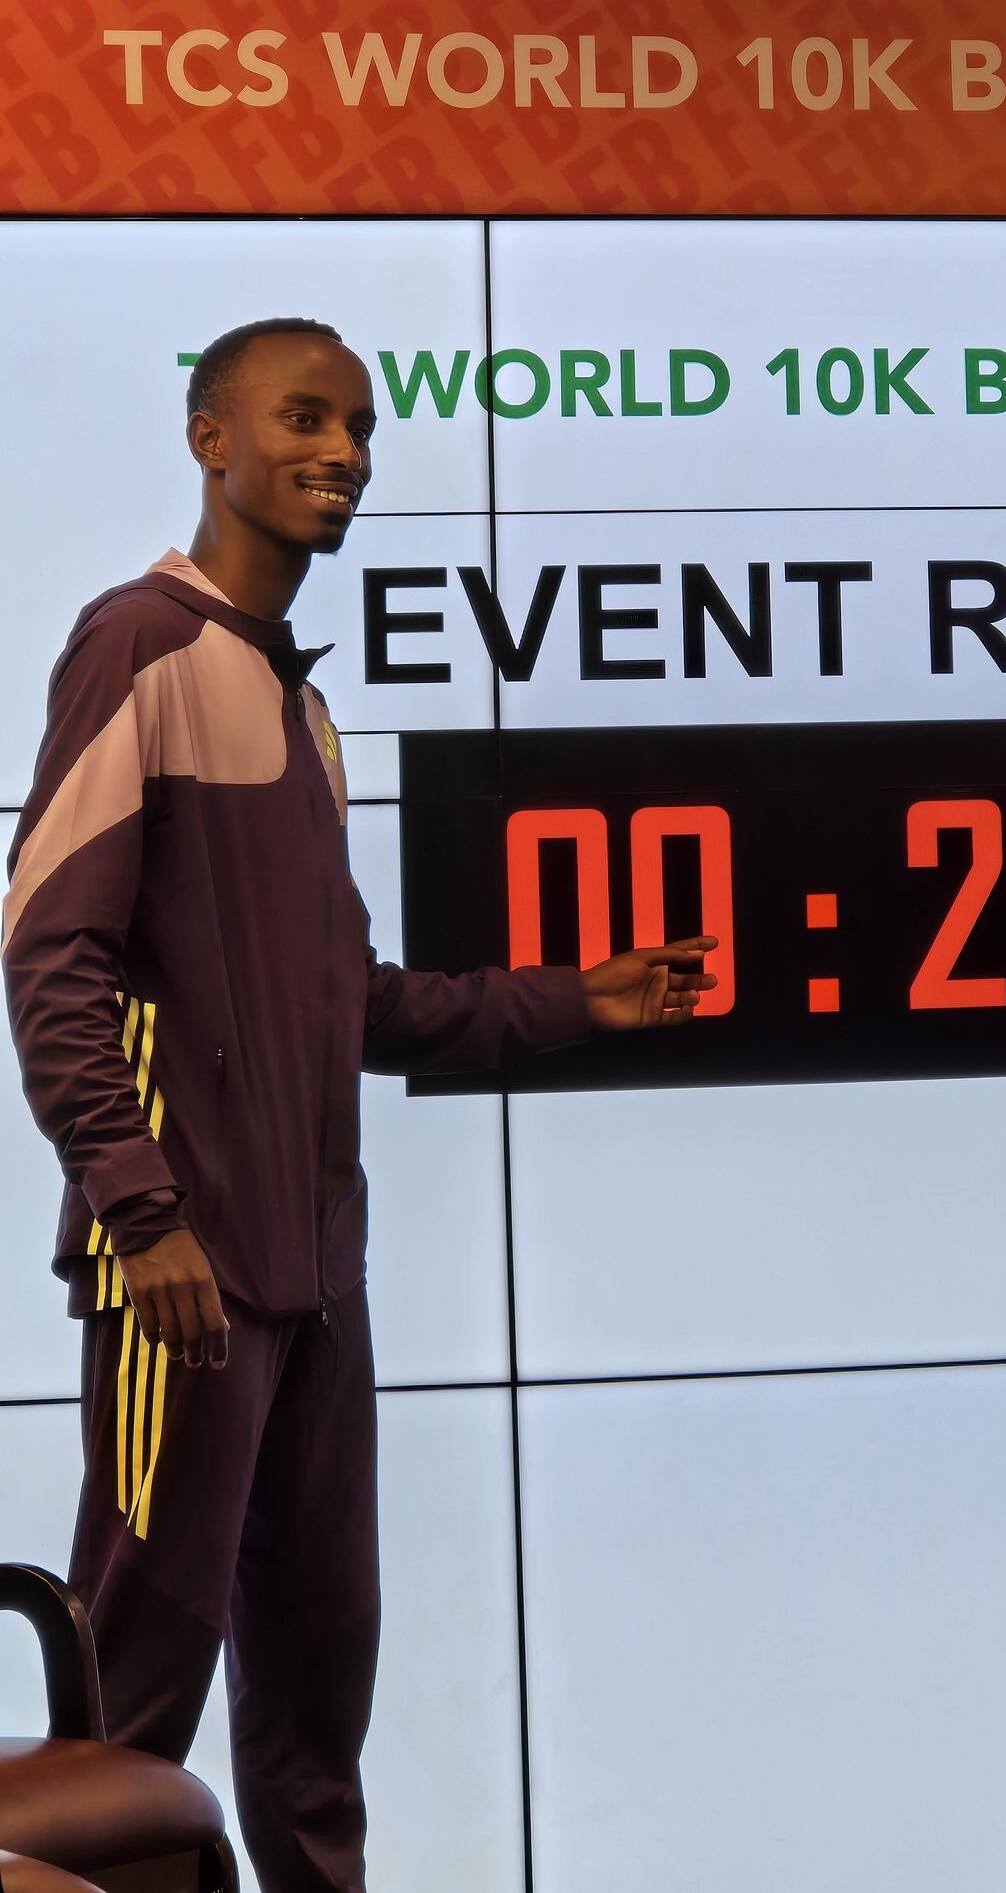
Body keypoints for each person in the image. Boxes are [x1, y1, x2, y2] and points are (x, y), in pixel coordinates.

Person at [0, 317, 715, 1892]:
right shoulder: (140, 645)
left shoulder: (297, 707)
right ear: (210, 439)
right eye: (306, 418)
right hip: (184, 1277)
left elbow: (352, 1005)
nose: (346, 454)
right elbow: (49, 952)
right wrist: (140, 1208)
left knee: (318, 1724)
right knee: (129, 1719)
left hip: (320, 1285)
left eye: (364, 428)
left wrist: (570, 1000)